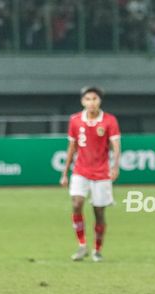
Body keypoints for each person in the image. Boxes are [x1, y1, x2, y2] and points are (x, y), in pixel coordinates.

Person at [60, 86, 121, 262]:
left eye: (94, 99)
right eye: (88, 99)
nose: (91, 102)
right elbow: (72, 147)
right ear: (83, 101)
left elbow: (116, 146)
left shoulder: (109, 121)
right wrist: (65, 173)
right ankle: (82, 245)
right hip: (80, 170)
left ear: (99, 101)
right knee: (77, 202)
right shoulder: (75, 120)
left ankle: (97, 249)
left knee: (99, 212)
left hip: (101, 173)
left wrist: (115, 166)